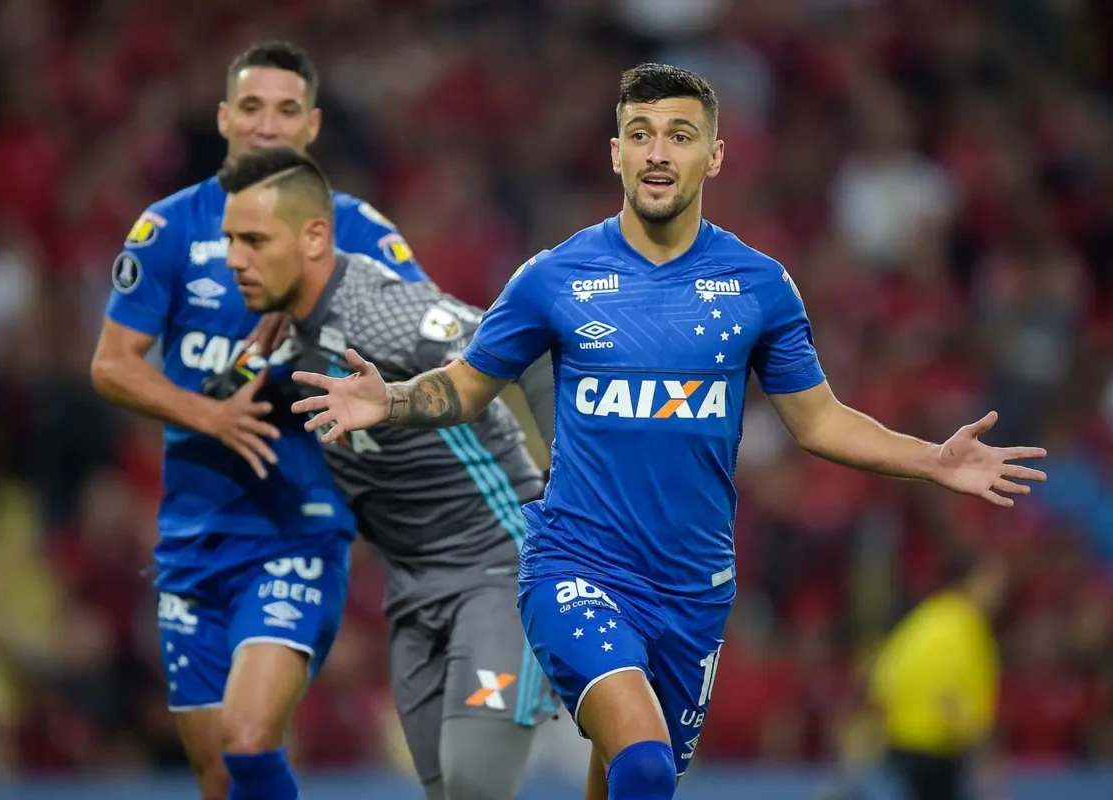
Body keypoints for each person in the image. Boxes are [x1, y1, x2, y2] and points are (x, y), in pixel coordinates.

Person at [288, 62, 1049, 800]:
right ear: (616, 152)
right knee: (646, 765)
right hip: (575, 565)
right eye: (641, 133)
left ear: (713, 155)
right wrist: (390, 401)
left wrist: (932, 460)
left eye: (680, 134)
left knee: (628, 772)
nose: (658, 151)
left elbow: (816, 420)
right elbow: (468, 384)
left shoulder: (760, 285)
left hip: (693, 592)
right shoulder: (553, 277)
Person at [90, 40, 425, 800]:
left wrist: (336, 328)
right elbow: (111, 363)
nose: (266, 125)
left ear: (310, 127)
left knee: (247, 740)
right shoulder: (170, 228)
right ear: (223, 119)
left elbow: (426, 338)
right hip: (193, 537)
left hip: (299, 529)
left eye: (284, 110)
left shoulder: (355, 230)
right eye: (250, 107)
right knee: (216, 775)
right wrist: (208, 413)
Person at [209, 146, 557, 799]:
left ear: (314, 237)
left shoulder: (381, 313)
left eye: (254, 240)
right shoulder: (278, 340)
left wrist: (575, 495)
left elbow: (530, 343)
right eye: (230, 240)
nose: (234, 259)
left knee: (477, 786)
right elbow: (221, 416)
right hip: (413, 595)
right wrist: (242, 374)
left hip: (502, 569)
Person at [869, 555, 1008, 800]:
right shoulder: (960, 627)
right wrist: (982, 752)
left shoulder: (926, 619)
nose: (1000, 591)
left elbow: (882, 678)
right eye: (992, 581)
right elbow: (949, 698)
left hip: (903, 750)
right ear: (968, 581)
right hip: (934, 755)